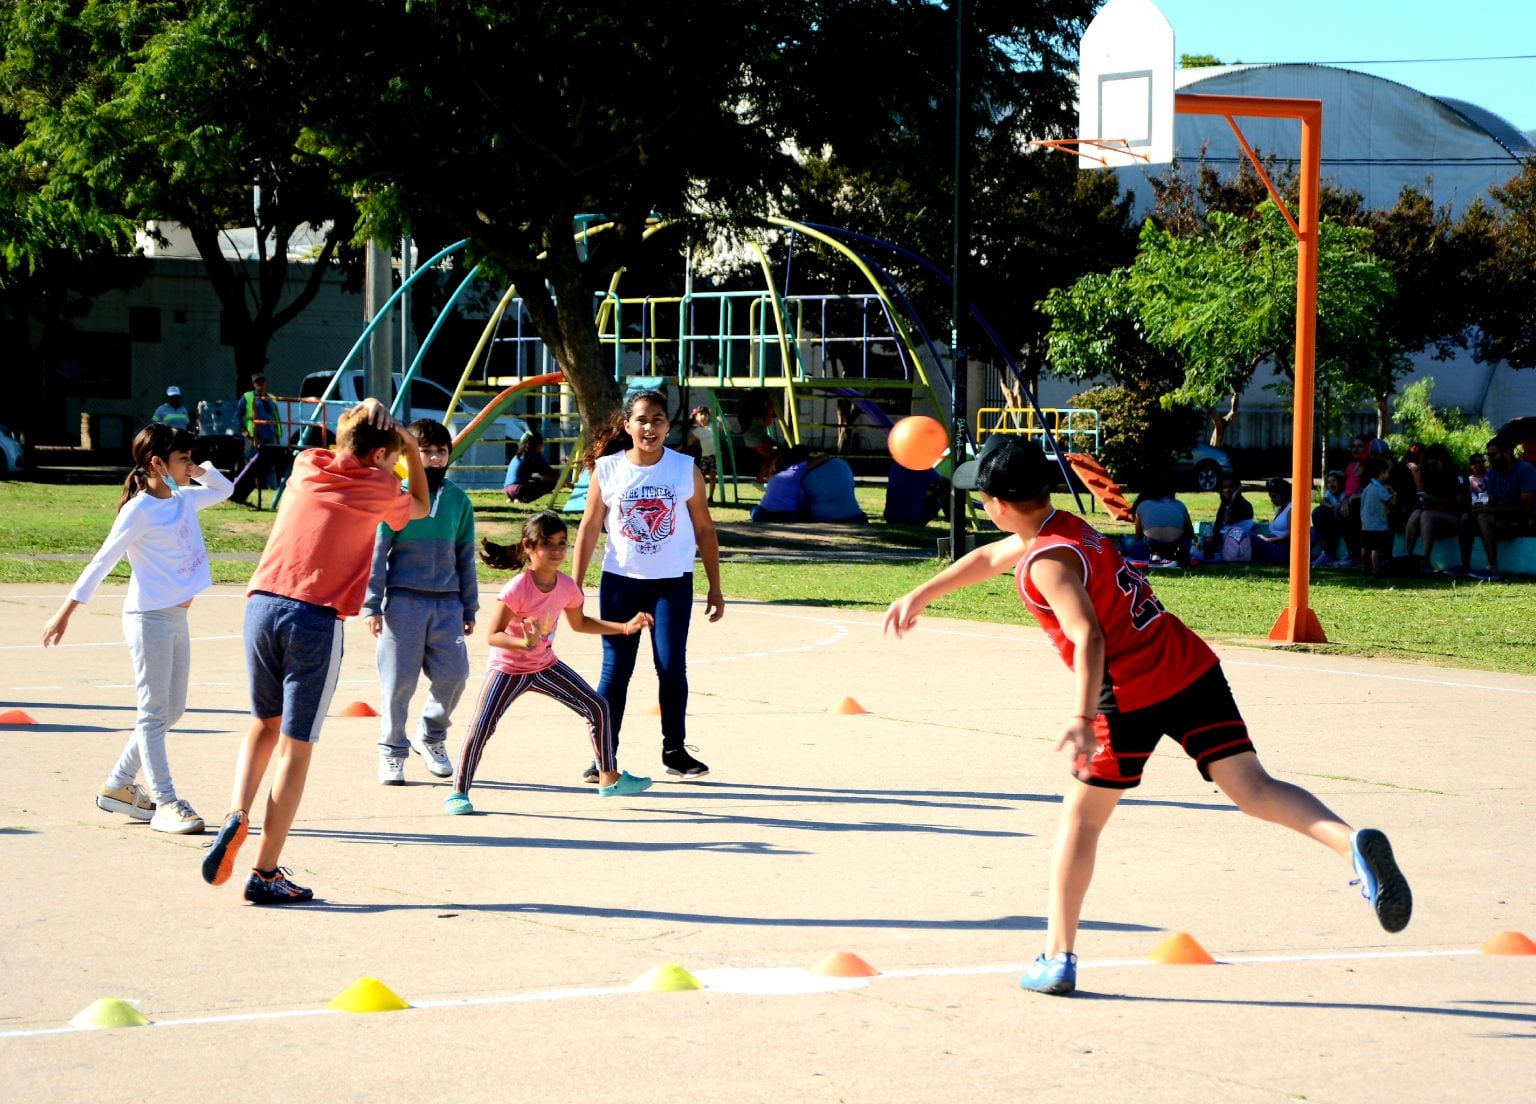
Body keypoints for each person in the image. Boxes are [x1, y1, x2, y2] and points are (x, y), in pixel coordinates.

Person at [882, 437, 1412, 997]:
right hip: (1188, 666)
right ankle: (1350, 842)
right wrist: (923, 592)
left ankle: (1057, 957)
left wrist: (1084, 717)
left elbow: (1087, 637)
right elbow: (990, 556)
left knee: (1081, 822)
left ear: (997, 504)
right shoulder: (1063, 530)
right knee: (1254, 788)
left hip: (1127, 694)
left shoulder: (1046, 565)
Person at [200, 398, 431, 905]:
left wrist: (361, 412)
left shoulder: (308, 466)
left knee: (263, 724)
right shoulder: (380, 486)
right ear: (379, 458)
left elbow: (336, 443)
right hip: (315, 616)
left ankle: (236, 811)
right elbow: (421, 505)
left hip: (260, 606)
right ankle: (264, 870)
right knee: (296, 745)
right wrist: (410, 448)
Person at [42, 423, 233, 835]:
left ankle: (116, 786)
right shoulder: (140, 510)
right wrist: (65, 612)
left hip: (177, 619)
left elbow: (224, 489)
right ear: (156, 463)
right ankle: (165, 802)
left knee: (173, 710)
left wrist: (194, 470)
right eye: (183, 459)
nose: (190, 465)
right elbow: (101, 562)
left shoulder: (182, 498)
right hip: (149, 620)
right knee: (152, 714)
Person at [444, 513, 655, 814]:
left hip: (544, 666)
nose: (557, 551)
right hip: (508, 669)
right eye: (547, 544)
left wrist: (623, 627)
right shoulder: (517, 588)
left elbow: (580, 622)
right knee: (482, 725)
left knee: (598, 706)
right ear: (528, 547)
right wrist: (523, 644)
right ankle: (459, 793)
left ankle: (609, 778)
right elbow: (492, 636)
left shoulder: (567, 586)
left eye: (561, 544)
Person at [572, 389, 724, 781]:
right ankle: (604, 756)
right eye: (641, 419)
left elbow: (705, 529)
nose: (649, 427)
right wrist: (573, 585)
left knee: (671, 666)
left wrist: (715, 585)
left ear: (668, 426)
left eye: (658, 419)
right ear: (627, 425)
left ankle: (675, 751)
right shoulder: (607, 469)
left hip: (671, 585)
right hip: (621, 583)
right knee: (615, 670)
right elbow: (589, 527)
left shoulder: (683, 468)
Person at [362, 419, 478, 786]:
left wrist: (469, 607)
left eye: (440, 451)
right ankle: (392, 751)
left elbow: (465, 558)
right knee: (398, 683)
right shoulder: (397, 496)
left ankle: (431, 735)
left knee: (455, 676)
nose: (433, 457)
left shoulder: (459, 501)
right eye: (424, 451)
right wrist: (372, 604)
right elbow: (378, 552)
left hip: (447, 605)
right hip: (403, 604)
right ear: (409, 455)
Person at [1456, 436, 1536, 580]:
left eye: (1493, 455)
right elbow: (1491, 502)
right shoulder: (1494, 473)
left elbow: (1526, 508)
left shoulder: (1525, 470)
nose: (1490, 459)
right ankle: (1465, 566)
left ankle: (1493, 567)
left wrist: (1491, 510)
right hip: (1500, 515)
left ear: (1506, 453)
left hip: (1521, 518)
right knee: (1466, 518)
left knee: (1484, 517)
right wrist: (1480, 508)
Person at [1402, 444, 1465, 566]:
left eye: (1434, 464)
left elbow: (1461, 501)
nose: (1431, 468)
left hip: (1453, 517)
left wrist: (1439, 501)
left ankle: (1426, 559)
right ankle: (1406, 554)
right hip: (1434, 515)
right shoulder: (1429, 475)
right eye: (1429, 465)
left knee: (1426, 515)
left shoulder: (1456, 474)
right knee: (1416, 513)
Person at [232, 374, 287, 505]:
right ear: (253, 384)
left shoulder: (272, 397)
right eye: (257, 382)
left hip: (270, 434)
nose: (260, 384)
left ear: (265, 382)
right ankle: (251, 489)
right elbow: (238, 414)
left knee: (270, 463)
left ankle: (272, 488)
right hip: (254, 435)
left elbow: (276, 417)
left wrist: (278, 434)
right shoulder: (248, 396)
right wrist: (243, 430)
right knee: (252, 463)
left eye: (262, 382)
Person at [1129, 474, 1193, 566]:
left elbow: (1138, 536)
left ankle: (1156, 554)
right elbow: (1190, 534)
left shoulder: (1142, 505)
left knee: (1127, 542)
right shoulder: (1180, 505)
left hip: (1151, 544)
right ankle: (1170, 554)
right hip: (1176, 545)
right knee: (1186, 542)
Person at [750, 445, 811, 523]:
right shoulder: (801, 466)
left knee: (754, 509)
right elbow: (823, 458)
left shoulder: (776, 469)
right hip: (786, 515)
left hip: (763, 513)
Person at [801, 453, 867, 523]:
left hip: (824, 517)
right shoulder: (841, 464)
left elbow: (802, 504)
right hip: (853, 515)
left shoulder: (807, 478)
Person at [1357, 457, 1396, 577]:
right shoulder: (1381, 489)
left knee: (1364, 548)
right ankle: (1376, 570)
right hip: (1378, 526)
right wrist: (1392, 492)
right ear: (1382, 472)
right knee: (1376, 549)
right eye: (1387, 471)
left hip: (1366, 524)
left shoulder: (1367, 488)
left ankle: (1364, 568)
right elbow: (1393, 502)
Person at [502, 430, 558, 504]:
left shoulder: (518, 455)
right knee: (551, 483)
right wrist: (566, 484)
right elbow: (550, 474)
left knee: (533, 483)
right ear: (538, 444)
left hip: (507, 489)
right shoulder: (534, 456)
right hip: (518, 489)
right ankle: (522, 498)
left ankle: (513, 498)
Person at [738, 390, 781, 486]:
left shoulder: (747, 411)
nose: (768, 401)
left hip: (751, 440)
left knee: (771, 456)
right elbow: (767, 423)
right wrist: (770, 410)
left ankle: (762, 478)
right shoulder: (758, 413)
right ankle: (763, 478)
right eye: (767, 400)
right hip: (758, 440)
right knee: (776, 454)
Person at [1252, 477, 1295, 564]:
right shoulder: (1280, 509)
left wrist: (1269, 540)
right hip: (1272, 543)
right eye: (1271, 496)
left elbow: (1293, 536)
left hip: (1281, 548)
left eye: (1274, 496)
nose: (1272, 500)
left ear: (1284, 495)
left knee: (1248, 537)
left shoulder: (1291, 509)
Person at [1310, 470, 1346, 566]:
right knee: (1318, 513)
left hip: (1341, 520)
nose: (1331, 484)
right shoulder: (1329, 494)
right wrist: (1332, 507)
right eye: (1329, 482)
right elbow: (1323, 502)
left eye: (1334, 481)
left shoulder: (1344, 493)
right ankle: (1326, 553)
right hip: (1330, 521)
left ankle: (1328, 554)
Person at [686, 407, 719, 504]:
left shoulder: (714, 426)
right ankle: (700, 496)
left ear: (709, 416)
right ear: (696, 417)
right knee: (701, 477)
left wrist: (719, 417)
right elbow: (688, 442)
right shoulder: (697, 431)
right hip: (705, 456)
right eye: (701, 414)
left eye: (706, 414)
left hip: (715, 455)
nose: (703, 417)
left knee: (713, 476)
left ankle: (711, 497)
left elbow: (727, 428)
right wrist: (677, 449)